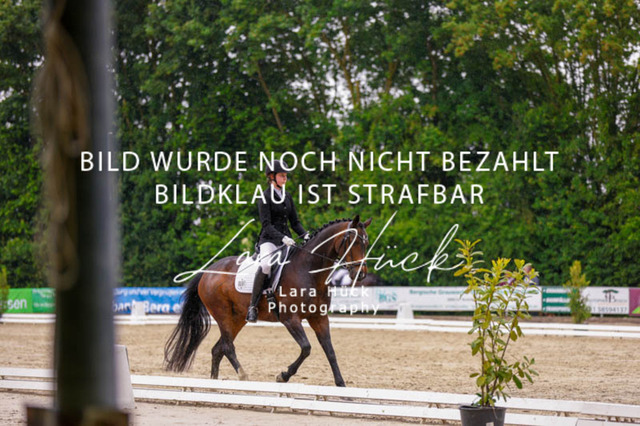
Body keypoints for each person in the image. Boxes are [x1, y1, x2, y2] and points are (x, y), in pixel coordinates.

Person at [246, 160, 309, 322]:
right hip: (269, 240)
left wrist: (305, 235)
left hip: (286, 240)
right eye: (282, 175)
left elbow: (295, 222)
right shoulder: (265, 197)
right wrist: (282, 238)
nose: (285, 178)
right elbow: (266, 225)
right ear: (272, 177)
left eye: (286, 175)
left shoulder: (287, 196)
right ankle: (253, 306)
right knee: (266, 265)